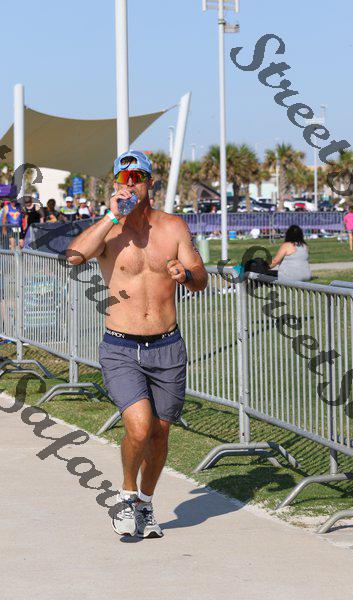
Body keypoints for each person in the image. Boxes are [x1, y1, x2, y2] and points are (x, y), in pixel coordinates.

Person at [66, 149, 208, 538]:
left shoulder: (173, 227)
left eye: (138, 178)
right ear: (116, 184)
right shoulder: (109, 230)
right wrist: (111, 215)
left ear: (150, 183)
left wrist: (186, 275)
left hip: (167, 346)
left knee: (160, 433)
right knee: (140, 427)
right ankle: (127, 496)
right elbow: (74, 256)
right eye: (124, 179)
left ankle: (145, 503)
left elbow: (201, 277)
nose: (131, 185)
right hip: (121, 347)